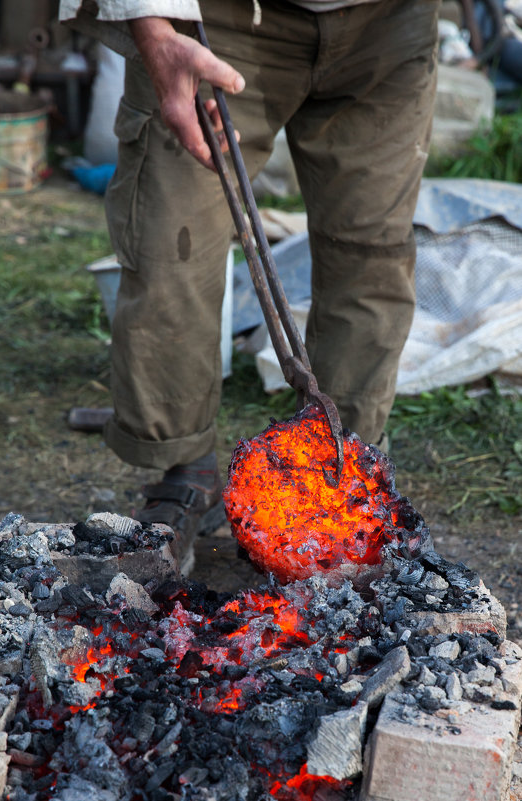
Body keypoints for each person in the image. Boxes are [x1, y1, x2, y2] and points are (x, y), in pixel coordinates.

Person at [59, 0, 441, 572]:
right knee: (171, 245)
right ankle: (186, 467)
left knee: (373, 254)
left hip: (387, 22)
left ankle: (340, 482)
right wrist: (154, 32)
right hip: (222, 17)